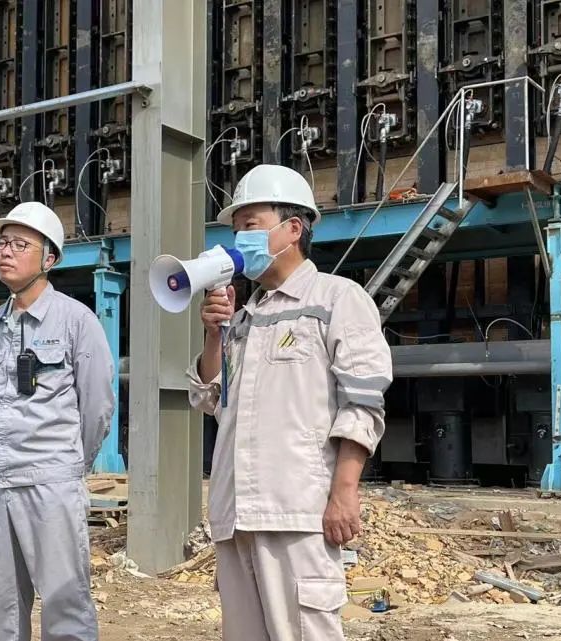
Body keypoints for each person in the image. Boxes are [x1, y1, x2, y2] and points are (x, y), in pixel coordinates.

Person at [186, 164, 393, 641]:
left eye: (251, 225)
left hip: (297, 513)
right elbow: (214, 400)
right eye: (236, 229)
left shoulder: (337, 299)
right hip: (237, 517)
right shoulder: (244, 318)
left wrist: (344, 492)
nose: (239, 239)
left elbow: (362, 401)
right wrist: (213, 334)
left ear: (293, 228)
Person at [0, 201, 115, 641]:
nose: (5, 251)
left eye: (20, 244)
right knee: (2, 602)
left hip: (49, 482)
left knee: (64, 600)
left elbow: (97, 406)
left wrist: (66, 467)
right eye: (1, 242)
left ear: (49, 259)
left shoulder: (76, 321)